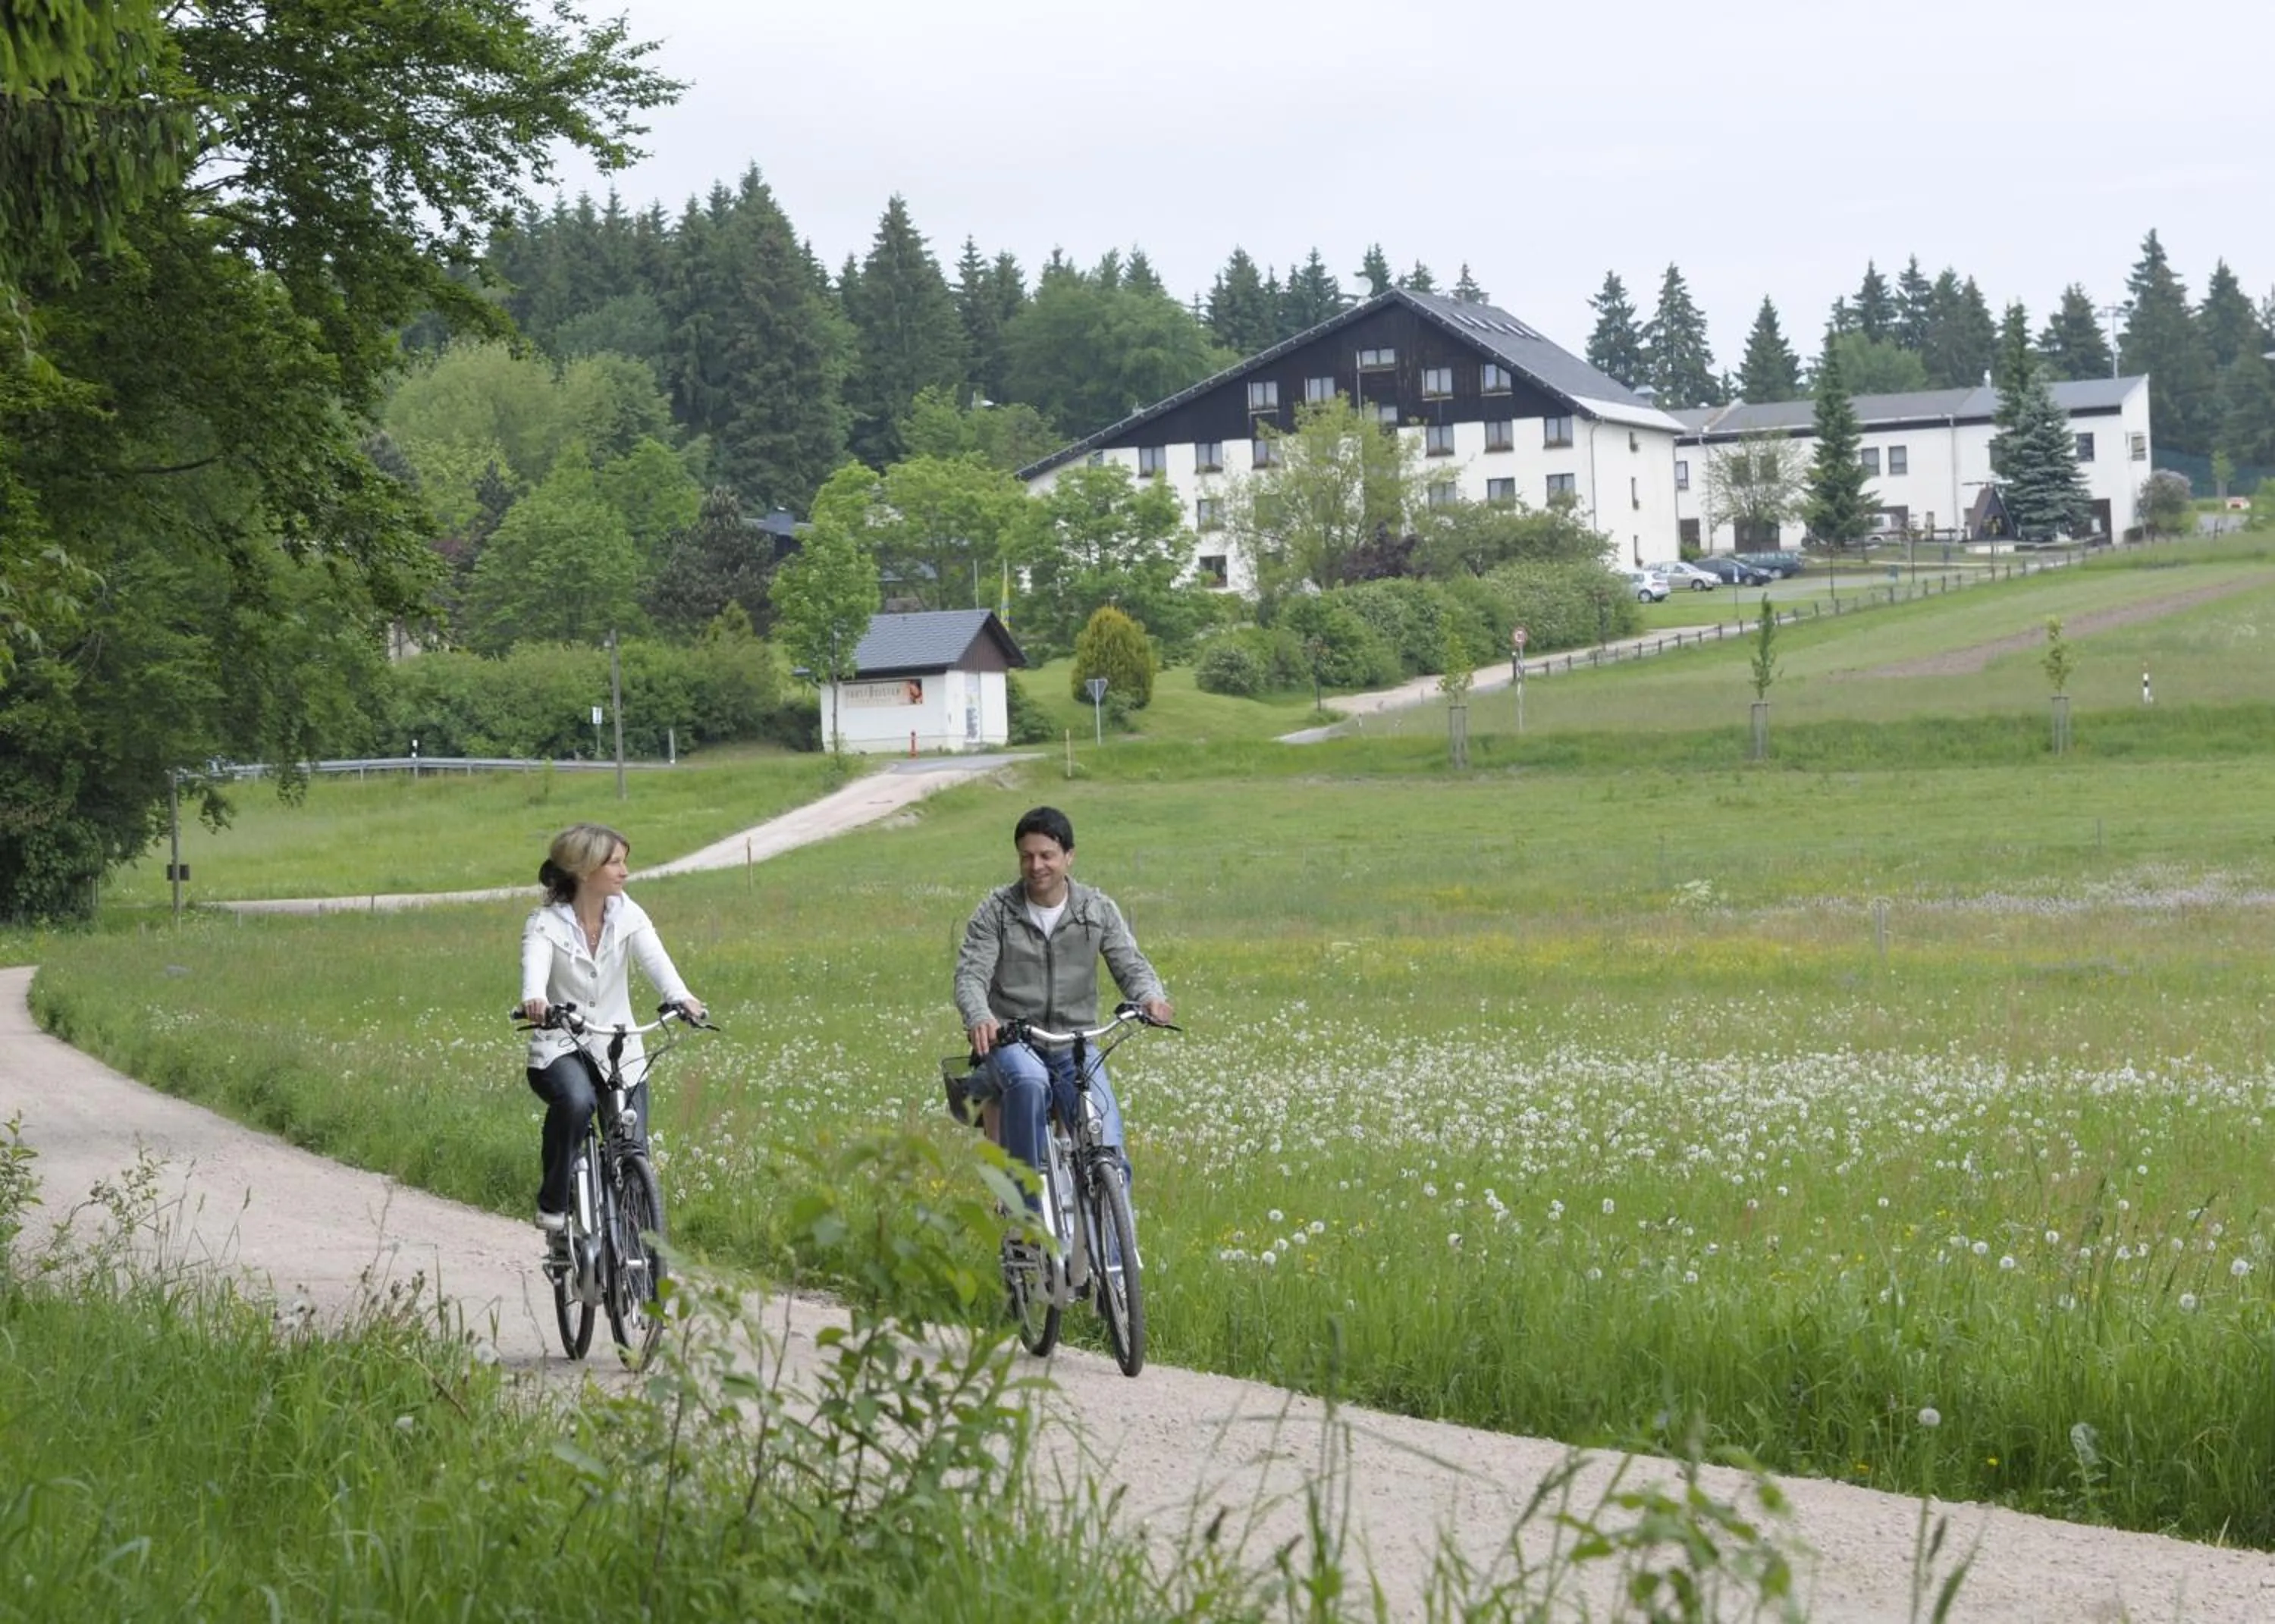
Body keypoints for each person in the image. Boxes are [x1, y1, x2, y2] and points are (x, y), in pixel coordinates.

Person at [954, 805, 1172, 1205]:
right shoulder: (996, 913)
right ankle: (1027, 1216)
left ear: (1069, 856)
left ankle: (1116, 1261)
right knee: (1030, 1081)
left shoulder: (1096, 910)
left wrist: (1150, 997)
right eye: (1027, 856)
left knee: (1107, 1149)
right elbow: (970, 975)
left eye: (1046, 855)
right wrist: (981, 1016)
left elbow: (1131, 965)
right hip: (1014, 1040)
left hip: (1075, 1044)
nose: (1036, 865)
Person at [519, 823, 704, 1263]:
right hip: (562, 1046)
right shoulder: (544, 923)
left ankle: (635, 1266)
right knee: (578, 1102)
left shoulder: (628, 914)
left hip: (619, 1049)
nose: (624, 871)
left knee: (630, 1149)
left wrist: (682, 998)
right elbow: (535, 966)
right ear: (584, 870)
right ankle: (555, 1204)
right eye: (615, 862)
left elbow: (655, 959)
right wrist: (535, 998)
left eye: (624, 861)